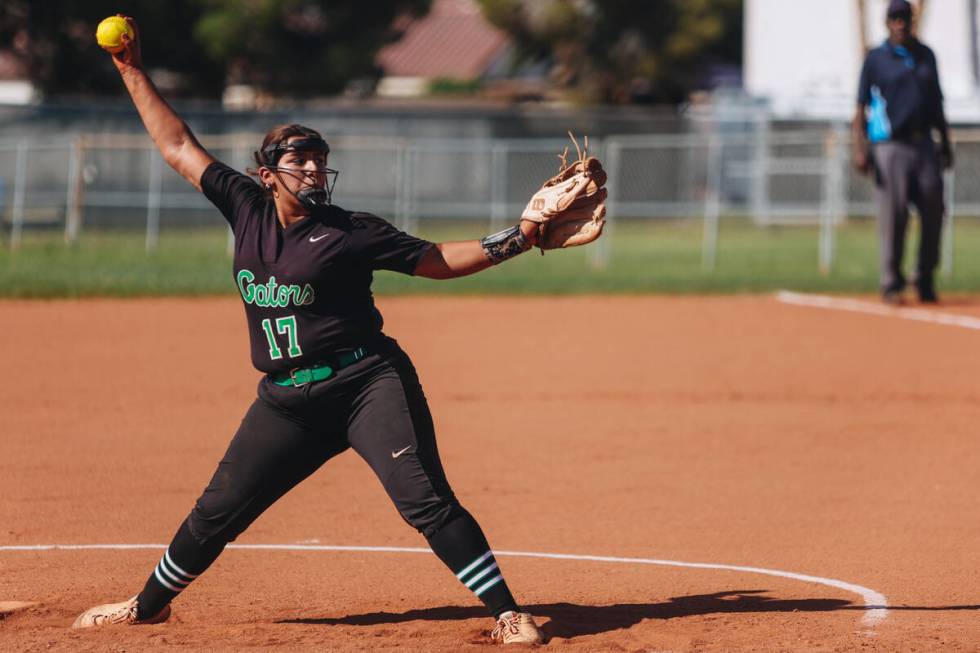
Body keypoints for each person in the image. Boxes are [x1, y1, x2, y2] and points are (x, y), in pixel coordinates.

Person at [72, 16, 547, 645]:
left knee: (424, 501)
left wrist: (515, 239)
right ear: (267, 174)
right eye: (299, 158)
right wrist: (130, 68)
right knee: (217, 510)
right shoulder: (244, 208)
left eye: (320, 158)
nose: (314, 167)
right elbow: (178, 147)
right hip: (287, 401)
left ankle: (507, 613)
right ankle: (147, 605)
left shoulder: (353, 230)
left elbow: (435, 260)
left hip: (366, 382)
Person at [852, 0, 952, 305]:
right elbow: (860, 108)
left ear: (912, 21)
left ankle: (924, 277)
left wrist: (945, 142)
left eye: (904, 19)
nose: (900, 24)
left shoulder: (926, 56)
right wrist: (860, 148)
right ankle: (891, 282)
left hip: (924, 144)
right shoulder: (876, 59)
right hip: (890, 146)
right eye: (894, 19)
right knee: (894, 216)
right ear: (886, 23)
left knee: (935, 210)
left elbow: (937, 104)